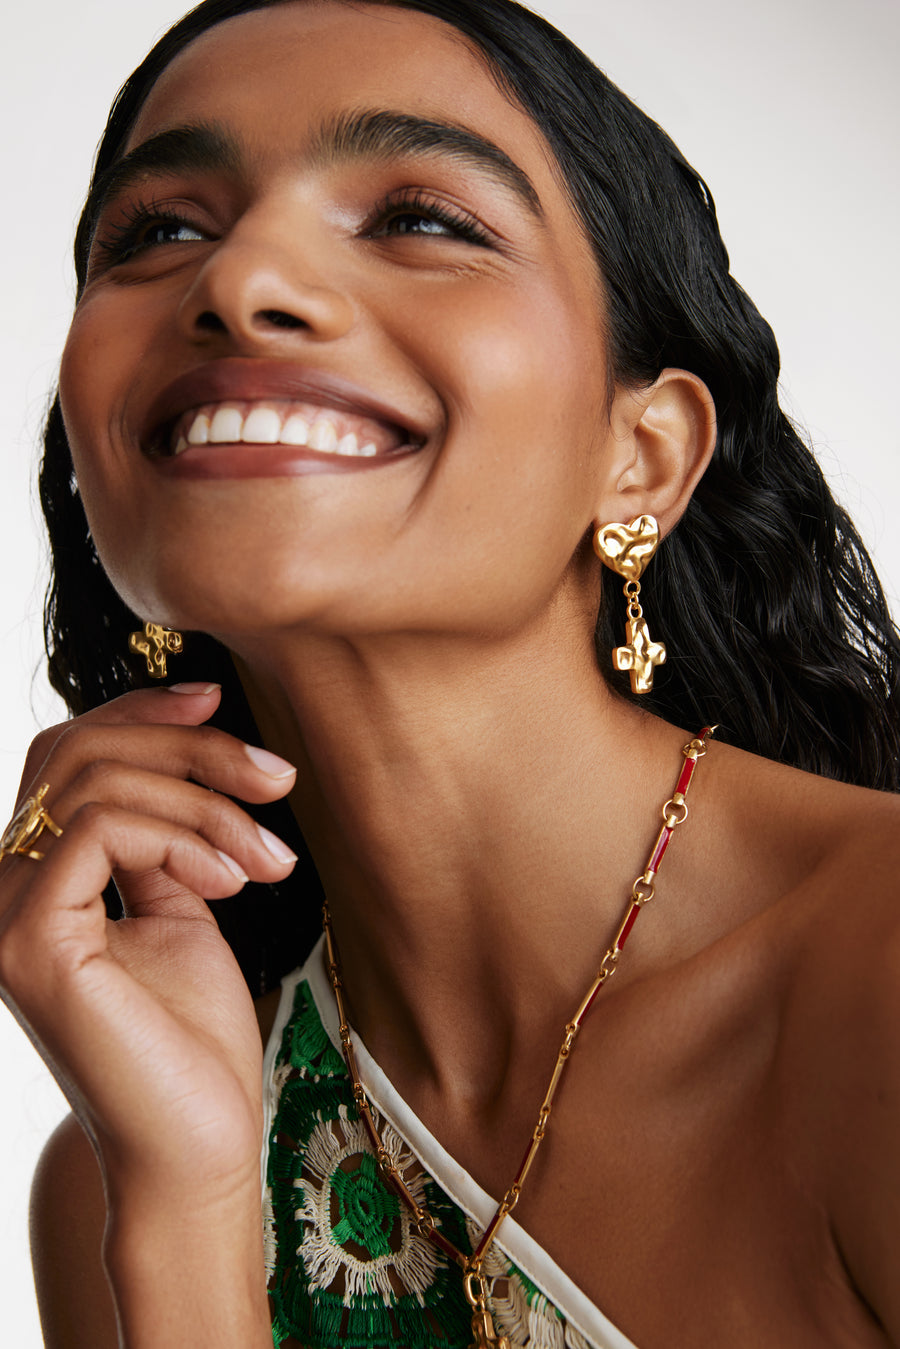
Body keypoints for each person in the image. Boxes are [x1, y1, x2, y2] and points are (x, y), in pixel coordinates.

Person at [1, 0, 899, 1345]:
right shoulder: (127, 1161)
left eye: (423, 218)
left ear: (642, 458)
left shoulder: (876, 971)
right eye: (162, 231)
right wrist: (189, 1212)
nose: (239, 283)